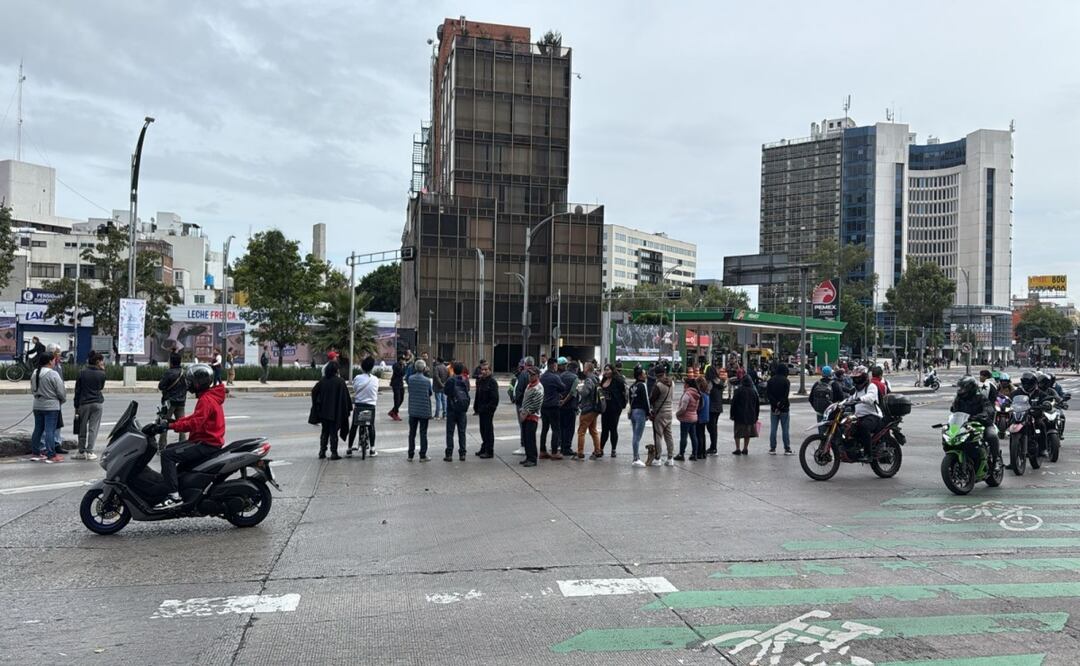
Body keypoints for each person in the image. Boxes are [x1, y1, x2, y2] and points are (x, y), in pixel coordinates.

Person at [154, 364, 225, 507]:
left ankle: (174, 496)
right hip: (205, 440)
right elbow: (195, 418)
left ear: (199, 383)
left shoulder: (206, 400)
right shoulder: (209, 396)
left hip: (206, 443)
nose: (189, 384)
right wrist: (174, 422)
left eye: (191, 381)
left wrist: (171, 426)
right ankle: (174, 486)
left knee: (167, 455)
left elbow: (195, 423)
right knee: (170, 448)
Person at [951, 375, 1000, 467]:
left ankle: (996, 459)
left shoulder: (981, 397)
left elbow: (989, 409)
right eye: (960, 387)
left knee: (991, 436)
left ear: (971, 387)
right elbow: (954, 411)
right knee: (950, 436)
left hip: (982, 423)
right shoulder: (959, 399)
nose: (961, 390)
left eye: (963, 387)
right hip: (964, 424)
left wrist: (982, 415)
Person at [310, 361, 351, 460]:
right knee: (333, 432)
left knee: (325, 431)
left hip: (324, 411)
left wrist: (317, 404)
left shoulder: (323, 380)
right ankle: (334, 452)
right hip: (335, 411)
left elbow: (314, 391)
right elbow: (345, 397)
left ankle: (322, 451)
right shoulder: (340, 381)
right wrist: (346, 409)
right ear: (336, 370)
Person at [29, 352, 66, 463]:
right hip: (51, 406)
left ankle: (36, 453)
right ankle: (51, 454)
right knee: (50, 430)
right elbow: (61, 391)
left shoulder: (35, 372)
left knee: (38, 429)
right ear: (50, 361)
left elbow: (33, 390)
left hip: (37, 404)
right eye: (54, 360)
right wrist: (61, 400)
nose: (55, 362)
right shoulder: (53, 374)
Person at [73, 351, 106, 460]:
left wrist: (76, 405)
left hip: (84, 403)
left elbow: (77, 390)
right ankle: (90, 451)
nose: (103, 363)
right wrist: (102, 370)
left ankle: (81, 451)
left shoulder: (82, 373)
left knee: (82, 428)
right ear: (97, 362)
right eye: (101, 361)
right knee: (93, 428)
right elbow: (101, 387)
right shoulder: (102, 374)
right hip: (97, 403)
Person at [847, 366, 882, 458]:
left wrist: (860, 399)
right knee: (847, 428)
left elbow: (870, 397)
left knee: (864, 427)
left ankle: (868, 454)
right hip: (859, 416)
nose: (856, 380)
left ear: (864, 377)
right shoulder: (856, 390)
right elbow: (850, 399)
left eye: (858, 378)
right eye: (855, 378)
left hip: (873, 416)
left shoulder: (871, 386)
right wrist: (841, 403)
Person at [348, 356, 379, 456]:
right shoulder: (375, 379)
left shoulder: (357, 378)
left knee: (354, 426)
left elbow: (355, 389)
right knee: (371, 426)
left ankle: (349, 449)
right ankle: (372, 449)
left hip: (359, 405)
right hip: (371, 405)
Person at [158, 353, 188, 447]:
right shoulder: (184, 372)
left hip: (169, 402)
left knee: (164, 423)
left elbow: (161, 386)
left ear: (171, 362)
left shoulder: (169, 373)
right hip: (181, 402)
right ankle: (182, 444)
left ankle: (162, 445)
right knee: (182, 424)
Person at [406, 359, 433, 461]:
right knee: (423, 433)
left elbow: (410, 390)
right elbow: (430, 393)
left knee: (412, 433)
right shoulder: (427, 380)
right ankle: (422, 455)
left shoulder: (411, 379)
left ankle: (410, 455)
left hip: (413, 410)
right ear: (424, 368)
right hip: (424, 410)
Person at [649, 363, 675, 466]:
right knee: (669, 435)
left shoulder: (658, 385)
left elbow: (652, 399)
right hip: (669, 412)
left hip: (659, 413)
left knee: (658, 435)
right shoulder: (672, 383)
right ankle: (670, 458)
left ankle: (658, 458)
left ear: (656, 375)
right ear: (664, 373)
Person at [443, 362, 470, 461]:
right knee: (462, 432)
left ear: (453, 370)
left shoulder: (450, 380)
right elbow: (467, 391)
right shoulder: (465, 380)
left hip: (452, 408)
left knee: (450, 432)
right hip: (462, 409)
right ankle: (462, 453)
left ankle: (449, 454)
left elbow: (446, 391)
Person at [539, 357, 564, 459]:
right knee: (556, 429)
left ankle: (542, 451)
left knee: (544, 429)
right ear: (554, 365)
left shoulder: (542, 377)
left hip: (543, 406)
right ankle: (554, 452)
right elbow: (562, 387)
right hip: (553, 406)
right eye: (556, 365)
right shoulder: (555, 377)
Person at [473, 362, 500, 458]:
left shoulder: (492, 382)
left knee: (488, 431)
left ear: (490, 371)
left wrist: (490, 408)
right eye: (482, 370)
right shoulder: (481, 381)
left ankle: (489, 451)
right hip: (481, 410)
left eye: (486, 370)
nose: (483, 371)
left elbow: (495, 398)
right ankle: (484, 447)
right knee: (483, 430)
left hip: (488, 410)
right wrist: (476, 408)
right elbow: (478, 395)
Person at [599, 363, 626, 457]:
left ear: (612, 370)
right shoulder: (604, 380)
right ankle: (600, 449)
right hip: (605, 409)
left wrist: (621, 405)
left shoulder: (618, 380)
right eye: (605, 370)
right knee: (604, 430)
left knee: (613, 429)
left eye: (608, 370)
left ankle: (613, 449)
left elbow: (624, 393)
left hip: (614, 409)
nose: (606, 372)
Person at [577, 361, 602, 460]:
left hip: (588, 408)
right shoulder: (596, 378)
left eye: (584, 367)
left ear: (587, 369)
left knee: (581, 431)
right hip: (595, 408)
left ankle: (580, 452)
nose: (583, 369)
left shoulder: (589, 380)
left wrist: (579, 389)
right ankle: (597, 450)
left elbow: (585, 393)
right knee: (593, 430)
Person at [519, 366, 543, 467]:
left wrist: (526, 413)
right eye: (529, 374)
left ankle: (532, 459)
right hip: (525, 415)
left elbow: (536, 404)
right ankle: (528, 457)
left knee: (530, 439)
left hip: (532, 416)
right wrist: (522, 411)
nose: (530, 376)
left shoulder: (538, 387)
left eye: (533, 374)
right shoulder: (529, 385)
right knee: (526, 438)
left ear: (537, 375)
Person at [766, 363, 792, 455]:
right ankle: (787, 448)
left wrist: (775, 405)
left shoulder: (771, 380)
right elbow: (786, 395)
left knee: (773, 428)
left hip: (773, 408)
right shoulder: (786, 381)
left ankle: (772, 448)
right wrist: (780, 404)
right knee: (785, 429)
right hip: (784, 408)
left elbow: (768, 395)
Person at [730, 375, 759, 455]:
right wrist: (756, 416)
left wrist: (732, 414)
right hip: (751, 416)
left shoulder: (738, 391)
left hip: (739, 415)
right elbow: (757, 406)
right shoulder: (754, 392)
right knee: (747, 433)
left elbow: (733, 404)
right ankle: (745, 448)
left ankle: (738, 448)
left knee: (737, 433)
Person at [628, 367, 651, 467]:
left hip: (633, 411)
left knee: (635, 435)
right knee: (637, 436)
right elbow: (646, 400)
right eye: (644, 373)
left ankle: (636, 456)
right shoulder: (642, 385)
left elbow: (630, 400)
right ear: (640, 376)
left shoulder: (632, 386)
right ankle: (636, 458)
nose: (645, 375)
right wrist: (648, 413)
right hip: (641, 412)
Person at [674, 376, 701, 461]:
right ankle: (694, 454)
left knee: (683, 436)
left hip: (685, 418)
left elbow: (683, 408)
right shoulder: (697, 394)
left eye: (684, 383)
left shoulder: (687, 394)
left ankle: (681, 454)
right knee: (693, 436)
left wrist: (677, 413)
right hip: (693, 417)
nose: (683, 385)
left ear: (688, 385)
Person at [559, 359, 580, 458]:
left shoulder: (561, 376)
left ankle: (562, 447)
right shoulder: (575, 378)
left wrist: (561, 400)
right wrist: (565, 401)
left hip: (560, 407)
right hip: (570, 406)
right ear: (576, 369)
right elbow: (572, 393)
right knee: (569, 428)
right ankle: (567, 448)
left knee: (562, 427)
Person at [704, 361, 724, 454]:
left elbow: (706, 393)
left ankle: (713, 447)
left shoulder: (710, 383)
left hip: (711, 407)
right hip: (718, 407)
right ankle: (713, 446)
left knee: (711, 427)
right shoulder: (720, 381)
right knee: (714, 427)